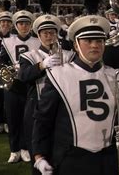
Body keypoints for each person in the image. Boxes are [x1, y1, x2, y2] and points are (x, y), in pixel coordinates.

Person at [32, 15, 119, 175]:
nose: (95, 45)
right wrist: (39, 156)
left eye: (99, 41)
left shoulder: (115, 75)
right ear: (76, 45)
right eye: (88, 41)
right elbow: (43, 118)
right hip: (70, 159)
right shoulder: (58, 75)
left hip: (107, 159)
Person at [18, 13, 76, 173]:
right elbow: (23, 76)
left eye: (52, 32)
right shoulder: (29, 56)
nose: (49, 36)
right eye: (45, 33)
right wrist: (42, 65)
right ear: (38, 35)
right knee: (38, 151)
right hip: (37, 108)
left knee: (62, 151)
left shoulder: (70, 55)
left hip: (64, 109)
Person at [0, 10, 40, 163]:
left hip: (30, 85)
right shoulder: (8, 41)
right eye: (21, 23)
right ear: (16, 25)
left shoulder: (37, 41)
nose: (24, 26)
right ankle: (14, 150)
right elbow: (2, 60)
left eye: (27, 23)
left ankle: (24, 148)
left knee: (27, 119)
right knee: (12, 118)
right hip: (13, 85)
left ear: (30, 25)